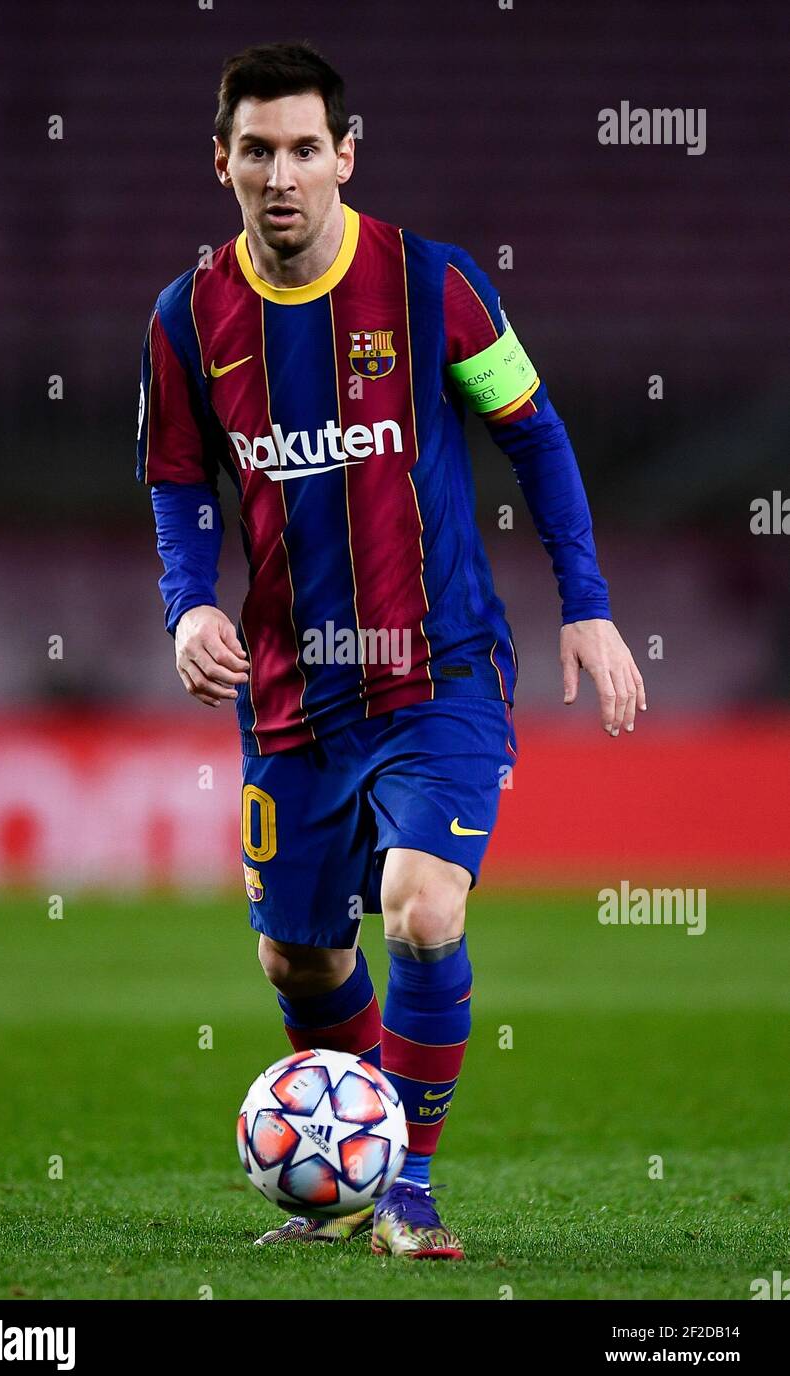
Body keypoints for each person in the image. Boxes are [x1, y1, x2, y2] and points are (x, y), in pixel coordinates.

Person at [137, 41, 646, 1259]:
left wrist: (585, 599)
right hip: (289, 696)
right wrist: (186, 604)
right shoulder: (185, 316)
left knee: (419, 911)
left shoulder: (434, 284)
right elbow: (175, 485)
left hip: (439, 671)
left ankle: (406, 1192)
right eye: (255, 149)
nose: (281, 173)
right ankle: (349, 1169)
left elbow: (536, 435)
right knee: (298, 956)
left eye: (305, 148)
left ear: (344, 156)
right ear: (221, 162)